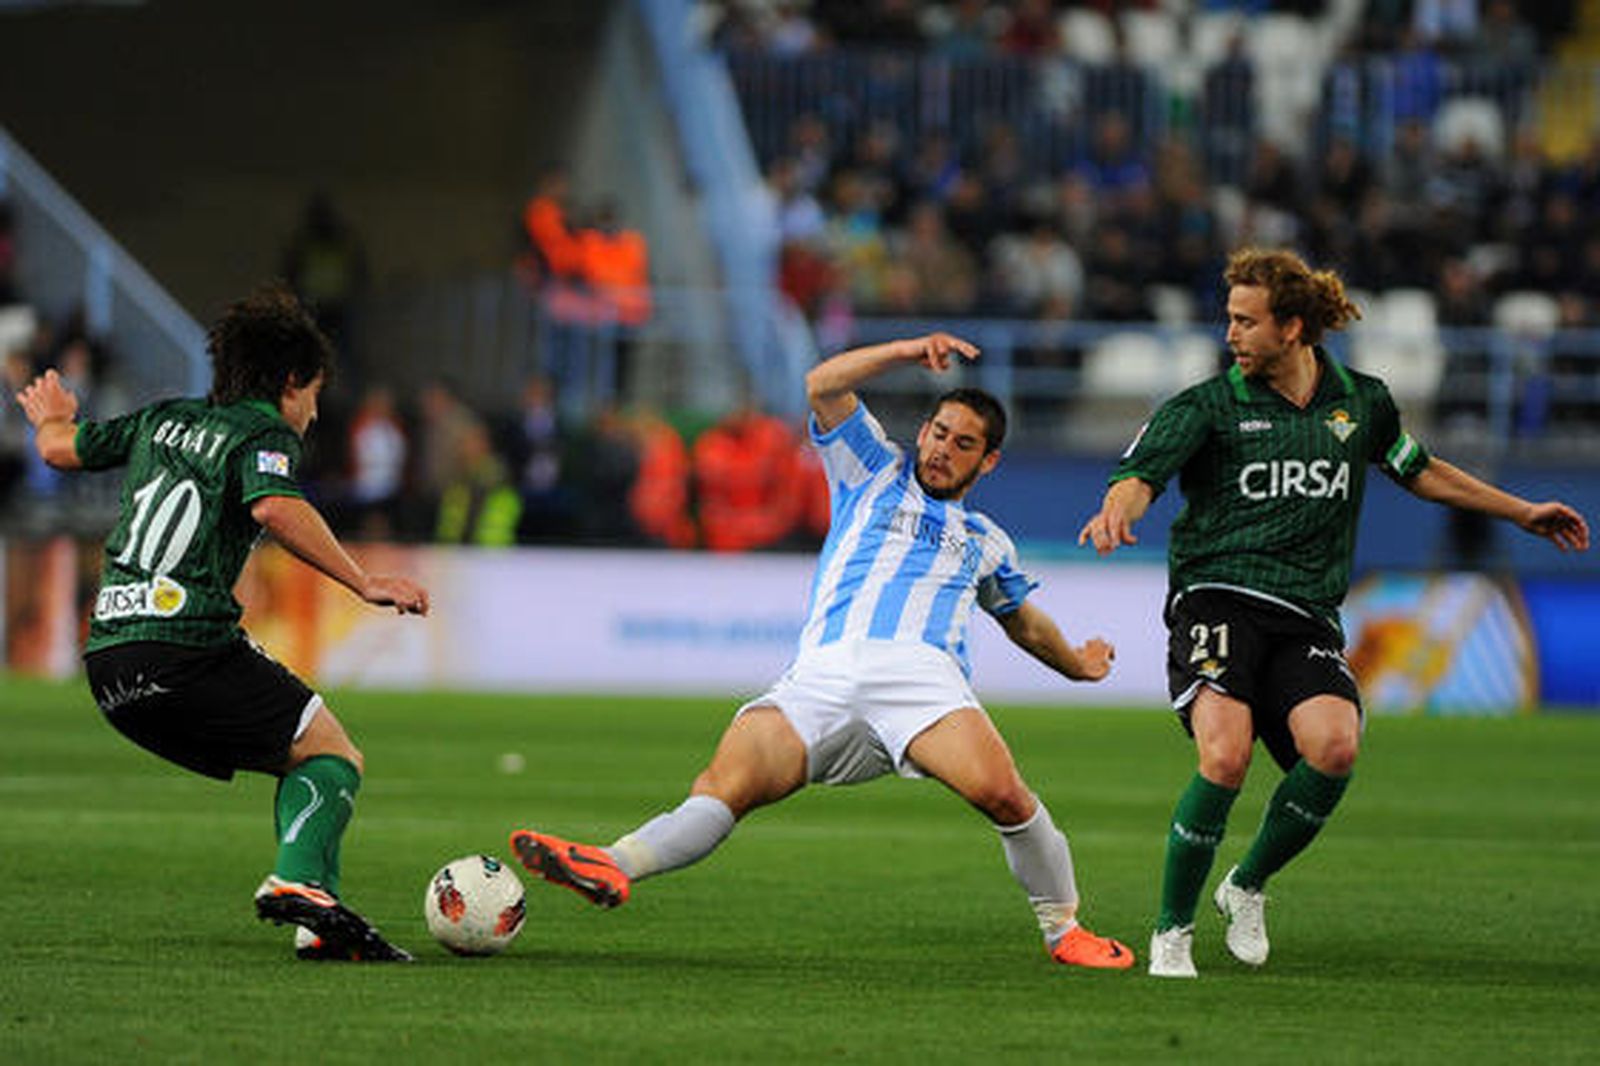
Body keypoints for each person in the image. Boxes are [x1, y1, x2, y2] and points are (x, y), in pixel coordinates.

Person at [510, 333, 1136, 970]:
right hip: (820, 675)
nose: (944, 449)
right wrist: (905, 352)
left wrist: (1078, 664)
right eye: (939, 432)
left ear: (989, 462)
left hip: (919, 676)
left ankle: (1065, 930)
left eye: (964, 443)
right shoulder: (871, 470)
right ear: (922, 431)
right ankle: (613, 863)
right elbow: (823, 385)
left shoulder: (986, 540)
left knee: (1004, 796)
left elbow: (1023, 624)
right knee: (724, 786)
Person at [1077, 248, 1591, 978]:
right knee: (1224, 755)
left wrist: (1521, 511)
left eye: (1246, 322)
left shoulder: (1363, 401)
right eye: (1229, 319)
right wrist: (1113, 513)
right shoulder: (1208, 406)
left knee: (1336, 747)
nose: (1231, 334)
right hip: (1217, 596)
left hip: (1306, 613)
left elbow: (1423, 470)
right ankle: (1172, 931)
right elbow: (1139, 475)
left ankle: (1246, 884)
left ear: (1292, 328)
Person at [13, 282, 430, 962]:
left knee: (301, 751)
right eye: (315, 392)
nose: (316, 411)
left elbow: (61, 451)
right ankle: (297, 883)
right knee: (330, 754)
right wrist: (363, 579)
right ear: (291, 381)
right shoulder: (263, 433)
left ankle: (318, 919)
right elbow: (273, 507)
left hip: (111, 664)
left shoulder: (159, 419)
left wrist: (52, 417)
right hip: (185, 649)